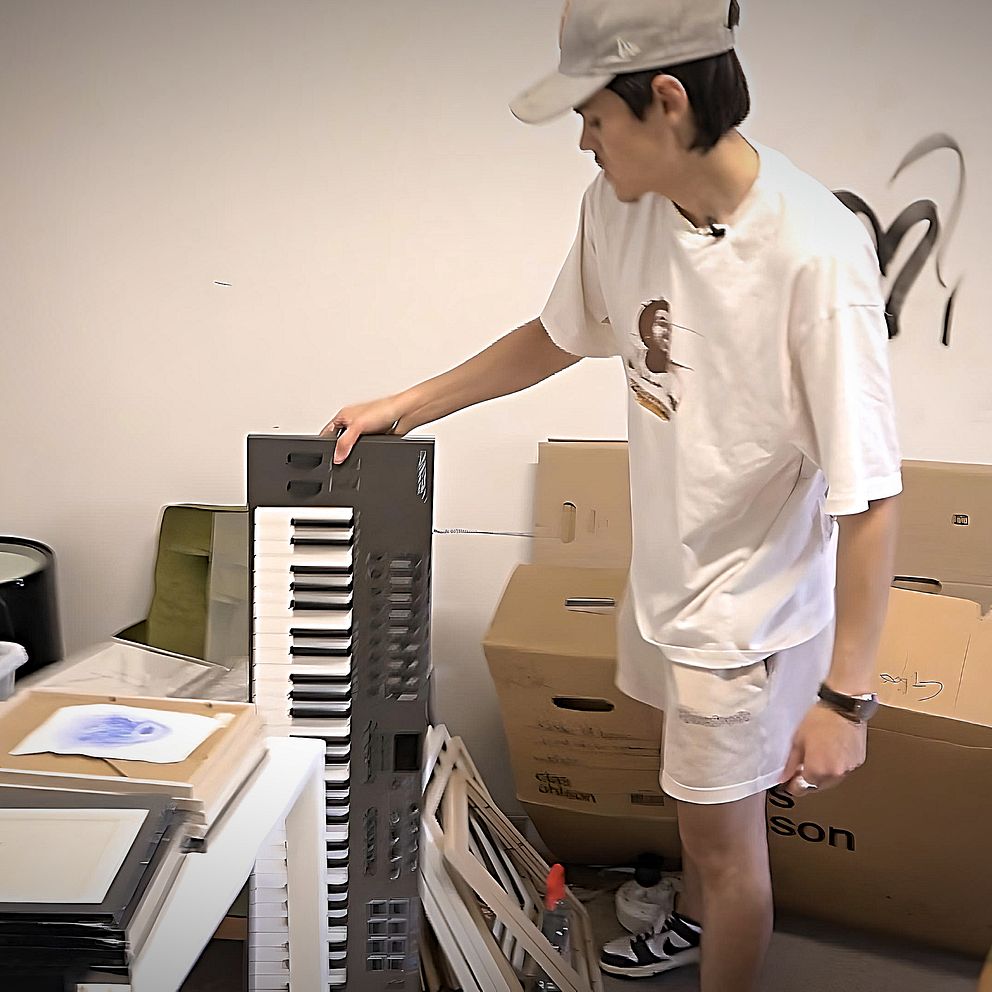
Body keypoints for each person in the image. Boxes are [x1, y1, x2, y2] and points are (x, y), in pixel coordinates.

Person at [322, 1, 902, 989]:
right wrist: (407, 405)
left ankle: (720, 936)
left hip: (743, 618)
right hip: (666, 577)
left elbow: (870, 494)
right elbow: (558, 333)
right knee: (691, 806)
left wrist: (845, 698)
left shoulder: (814, 256)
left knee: (728, 855)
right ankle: (699, 918)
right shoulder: (621, 203)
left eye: (593, 117)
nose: (583, 142)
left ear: (666, 101)